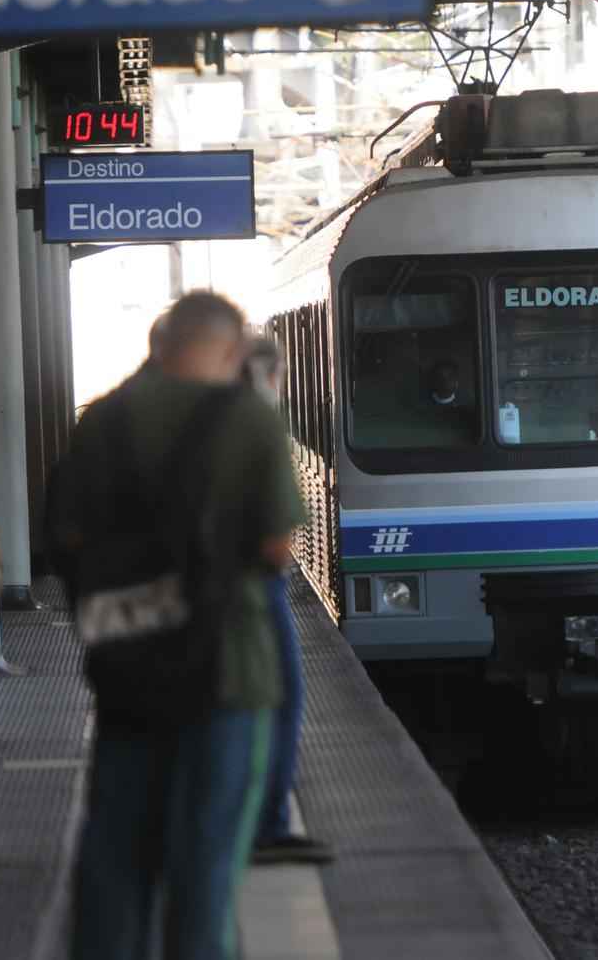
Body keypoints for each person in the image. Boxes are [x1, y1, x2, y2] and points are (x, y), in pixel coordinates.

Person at [56, 292, 305, 960]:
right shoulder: (248, 419)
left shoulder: (101, 420)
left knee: (115, 852)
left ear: (161, 345)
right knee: (206, 862)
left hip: (127, 664)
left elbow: (68, 538)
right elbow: (278, 544)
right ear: (229, 352)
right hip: (227, 668)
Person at [243, 337, 332, 867]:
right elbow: (281, 540)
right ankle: (268, 824)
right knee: (278, 699)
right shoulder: (258, 432)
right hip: (252, 587)